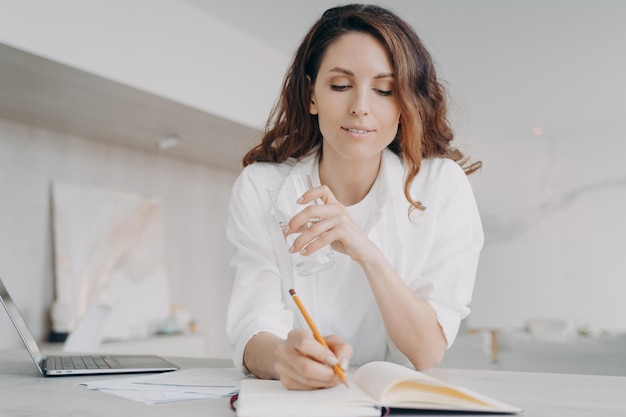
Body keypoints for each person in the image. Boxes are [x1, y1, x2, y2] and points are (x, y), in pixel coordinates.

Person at [226, 3, 483, 390]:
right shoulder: (260, 187)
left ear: (404, 104)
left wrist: (365, 250)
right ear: (312, 95)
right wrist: (284, 359)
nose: (361, 107)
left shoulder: (442, 185)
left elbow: (427, 350)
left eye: (384, 90)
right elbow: (252, 326)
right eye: (341, 86)